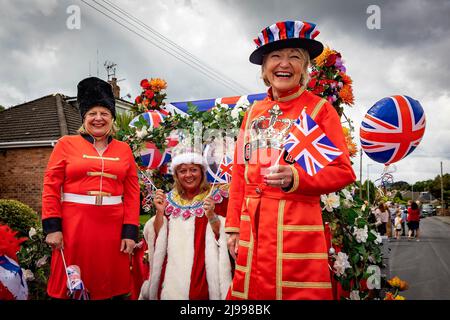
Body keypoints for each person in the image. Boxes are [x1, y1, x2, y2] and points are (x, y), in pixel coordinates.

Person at [225, 20, 356, 300]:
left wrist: (297, 178)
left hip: (296, 228)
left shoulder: (320, 110)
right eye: (275, 56)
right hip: (252, 228)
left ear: (305, 67)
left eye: (294, 56)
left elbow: (343, 171)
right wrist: (233, 228)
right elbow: (239, 172)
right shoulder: (252, 113)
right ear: (264, 68)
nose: (284, 63)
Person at [42, 77, 140, 299]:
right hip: (74, 226)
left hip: (113, 229)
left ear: (112, 117)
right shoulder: (66, 144)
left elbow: (133, 193)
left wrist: (130, 231)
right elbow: (50, 187)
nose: (98, 118)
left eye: (104, 113)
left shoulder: (124, 149)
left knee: (108, 287)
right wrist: (52, 227)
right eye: (92, 113)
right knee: (71, 285)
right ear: (84, 117)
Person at [139, 143, 232, 300]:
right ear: (176, 175)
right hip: (171, 276)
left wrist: (211, 216)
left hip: (204, 273)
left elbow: (228, 235)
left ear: (202, 172)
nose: (188, 175)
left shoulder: (218, 199)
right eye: (183, 171)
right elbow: (157, 238)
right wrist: (160, 213)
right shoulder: (167, 200)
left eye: (193, 170)